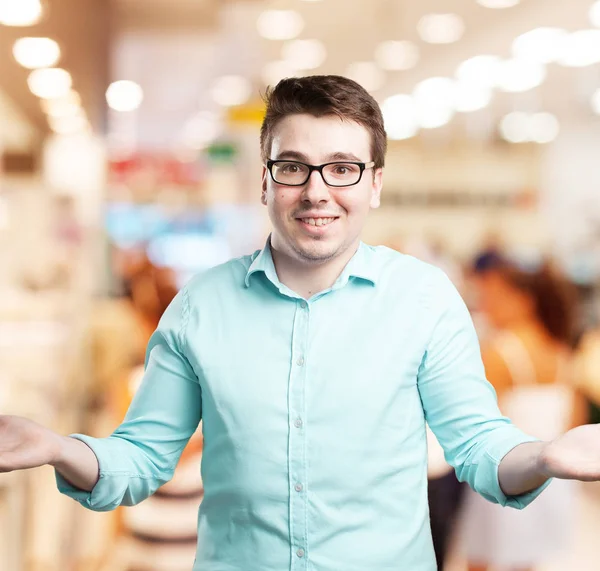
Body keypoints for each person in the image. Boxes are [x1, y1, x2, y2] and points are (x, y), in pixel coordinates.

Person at [2, 75, 600, 571]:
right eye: (294, 166)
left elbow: (479, 447)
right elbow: (140, 459)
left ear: (376, 183)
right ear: (264, 179)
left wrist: (544, 456)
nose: (317, 191)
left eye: (343, 168)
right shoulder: (200, 306)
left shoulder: (424, 300)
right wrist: (59, 448)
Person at [460, 254, 586, 571]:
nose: (486, 305)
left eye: (493, 297)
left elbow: (474, 417)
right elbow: (575, 417)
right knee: (526, 559)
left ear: (523, 300)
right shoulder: (558, 348)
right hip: (552, 475)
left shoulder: (501, 351)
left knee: (482, 555)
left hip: (506, 469)